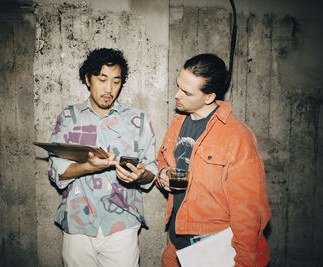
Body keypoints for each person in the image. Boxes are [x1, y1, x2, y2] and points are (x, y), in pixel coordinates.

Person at [157, 53, 271, 267]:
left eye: (187, 92)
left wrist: (244, 262)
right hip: (176, 247)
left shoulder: (237, 136)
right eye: (178, 86)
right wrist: (162, 174)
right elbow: (162, 161)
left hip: (212, 250)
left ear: (209, 97)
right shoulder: (178, 122)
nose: (176, 95)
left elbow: (249, 212)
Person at [48, 48, 157, 267]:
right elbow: (56, 170)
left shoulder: (138, 120)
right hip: (78, 225)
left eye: (116, 81)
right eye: (102, 79)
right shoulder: (69, 117)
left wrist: (140, 175)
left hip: (122, 224)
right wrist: (87, 167)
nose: (109, 89)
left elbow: (152, 169)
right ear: (88, 79)